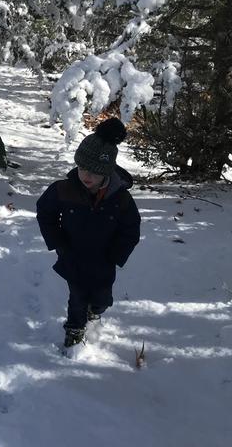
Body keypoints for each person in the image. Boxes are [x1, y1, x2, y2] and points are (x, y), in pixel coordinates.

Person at [36, 117, 141, 348]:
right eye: (82, 167)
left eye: (93, 171)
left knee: (102, 299)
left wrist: (116, 254)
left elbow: (131, 228)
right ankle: (75, 328)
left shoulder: (120, 198)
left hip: (104, 260)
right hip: (73, 256)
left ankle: (96, 312)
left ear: (106, 171)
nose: (86, 175)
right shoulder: (64, 189)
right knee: (77, 298)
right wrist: (58, 242)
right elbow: (45, 212)